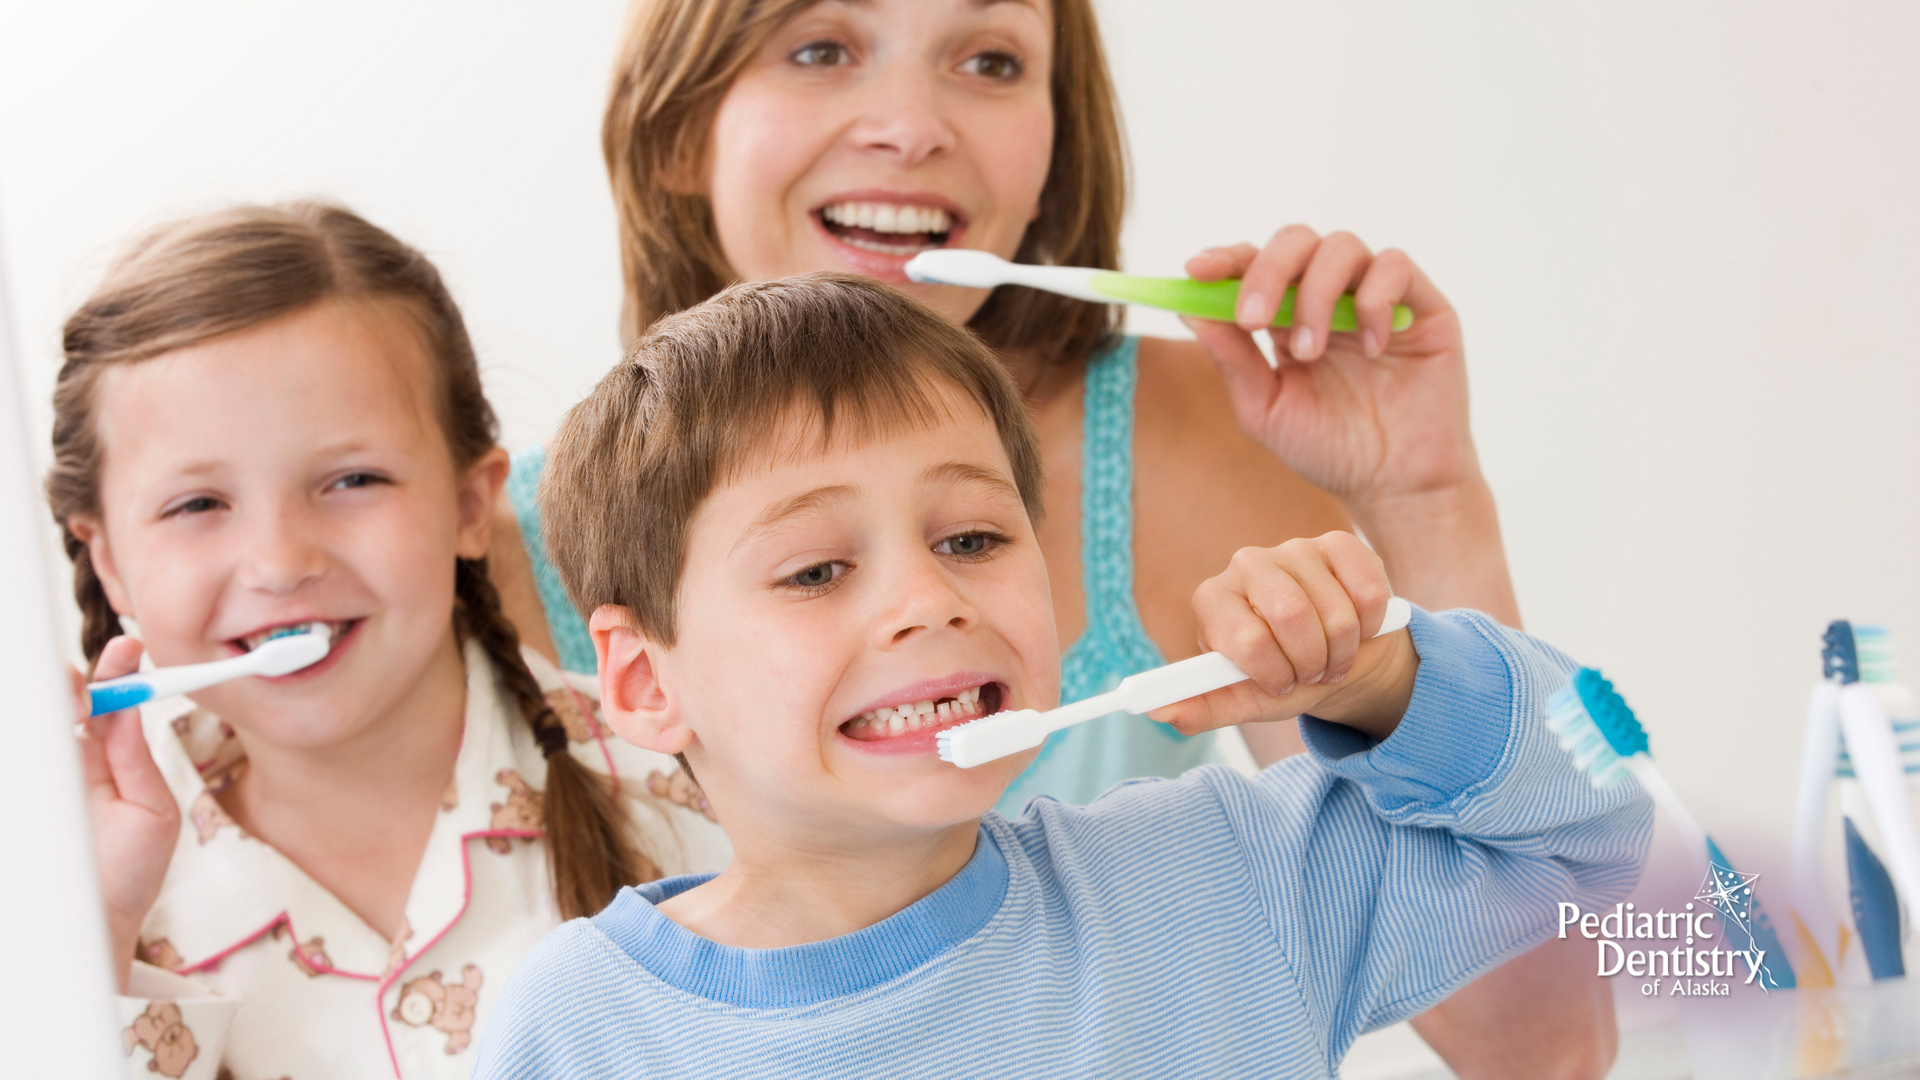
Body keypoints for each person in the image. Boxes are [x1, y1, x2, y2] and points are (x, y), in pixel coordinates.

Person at [484, 0, 1604, 1073]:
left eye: (990, 59)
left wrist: (1418, 540)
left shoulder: (1222, 875)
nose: (914, 126)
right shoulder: (576, 1018)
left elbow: (1550, 1010)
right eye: (822, 46)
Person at [53, 203, 728, 1079]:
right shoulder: (74, 894)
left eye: (352, 480)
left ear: (469, 505)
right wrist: (93, 928)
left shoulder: (711, 790)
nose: (280, 561)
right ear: (107, 558)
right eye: (198, 505)